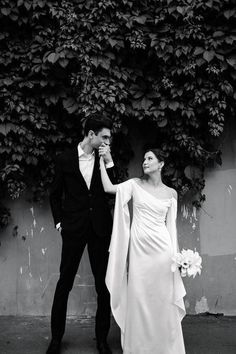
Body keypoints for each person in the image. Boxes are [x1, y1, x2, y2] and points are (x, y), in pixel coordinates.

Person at [98, 147, 186, 354]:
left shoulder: (171, 194)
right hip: (139, 252)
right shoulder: (134, 185)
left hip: (163, 254)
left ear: (161, 164)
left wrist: (179, 259)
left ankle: (166, 347)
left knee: (162, 298)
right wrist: (103, 161)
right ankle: (139, 347)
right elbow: (109, 188)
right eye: (144, 159)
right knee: (139, 296)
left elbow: (171, 228)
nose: (145, 162)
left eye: (150, 158)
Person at [47, 115, 115, 354]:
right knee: (64, 283)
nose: (108, 141)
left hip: (99, 229)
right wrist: (59, 224)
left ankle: (102, 340)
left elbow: (113, 191)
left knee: (103, 286)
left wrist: (108, 162)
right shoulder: (64, 159)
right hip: (73, 229)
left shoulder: (103, 158)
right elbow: (54, 195)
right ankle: (56, 339)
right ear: (91, 135)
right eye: (104, 136)